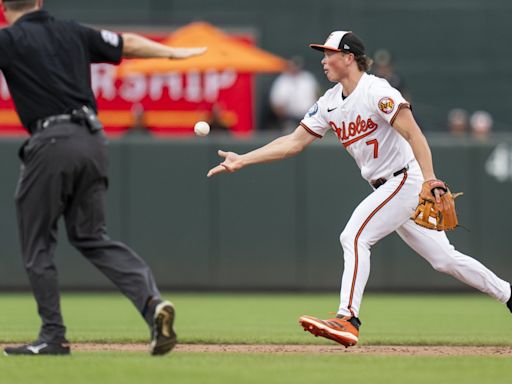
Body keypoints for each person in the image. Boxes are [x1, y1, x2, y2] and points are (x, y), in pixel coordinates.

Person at [207, 30, 512, 347]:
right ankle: (509, 294)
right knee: (445, 260)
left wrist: (431, 178)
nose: (324, 60)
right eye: (323, 54)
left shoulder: (376, 90)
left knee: (354, 235)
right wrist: (243, 159)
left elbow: (414, 134)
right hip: (388, 186)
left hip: (405, 179)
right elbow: (293, 143)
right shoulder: (328, 102)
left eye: (329, 53)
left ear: (349, 57)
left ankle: (348, 318)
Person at [0, 0, 206, 356]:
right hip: (93, 140)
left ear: (4, 7)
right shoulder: (73, 32)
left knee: (37, 243)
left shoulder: (9, 39)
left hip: (50, 142)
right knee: (91, 236)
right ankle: (152, 303)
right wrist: (172, 54)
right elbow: (127, 43)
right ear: (39, 2)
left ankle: (53, 335)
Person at [269, 56, 319, 133]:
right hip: (289, 119)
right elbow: (277, 104)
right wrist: (282, 118)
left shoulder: (308, 78)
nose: (294, 67)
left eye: (296, 64)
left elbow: (316, 95)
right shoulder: (282, 81)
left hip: (308, 117)